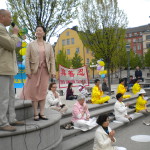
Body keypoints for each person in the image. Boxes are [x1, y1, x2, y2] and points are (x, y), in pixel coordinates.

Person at [20, 25, 56, 121]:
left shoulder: (48, 45)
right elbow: (27, 58)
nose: (38, 32)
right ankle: (35, 113)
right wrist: (27, 70)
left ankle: (42, 113)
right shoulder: (31, 44)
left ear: (44, 33)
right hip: (34, 71)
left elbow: (52, 58)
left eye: (40, 31)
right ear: (35, 33)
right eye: (37, 31)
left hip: (45, 71)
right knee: (34, 92)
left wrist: (53, 71)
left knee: (43, 92)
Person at [0, 9, 24, 131]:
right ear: (1, 17)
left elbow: (14, 44)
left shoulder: (4, 30)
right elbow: (10, 45)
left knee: (11, 95)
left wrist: (17, 36)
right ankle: (3, 123)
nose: (11, 19)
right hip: (2, 69)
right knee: (3, 97)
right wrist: (15, 33)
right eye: (9, 17)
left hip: (8, 68)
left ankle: (12, 119)